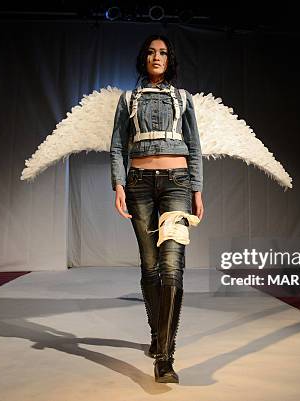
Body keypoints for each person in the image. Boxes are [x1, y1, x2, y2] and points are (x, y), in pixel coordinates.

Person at [110, 34, 204, 384]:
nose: (156, 56)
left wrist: (197, 189)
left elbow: (194, 146)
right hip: (139, 186)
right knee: (150, 265)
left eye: (163, 52)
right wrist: (117, 184)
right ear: (143, 58)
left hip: (177, 184)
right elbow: (118, 144)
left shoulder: (184, 99)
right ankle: (156, 333)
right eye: (151, 52)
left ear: (170, 59)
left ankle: (165, 357)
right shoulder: (127, 99)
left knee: (171, 265)